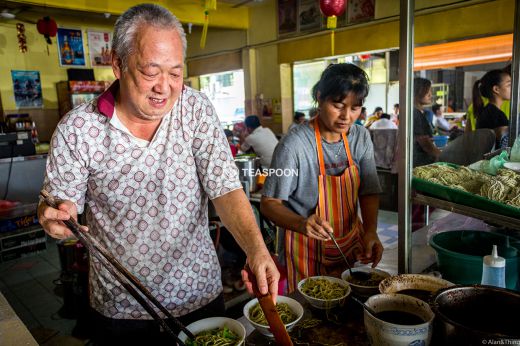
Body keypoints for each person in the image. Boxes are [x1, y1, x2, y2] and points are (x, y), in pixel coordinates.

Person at [37, 4, 279, 345]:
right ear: (118, 65)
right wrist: (55, 220)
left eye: (175, 73)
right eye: (151, 72)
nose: (164, 88)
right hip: (122, 309)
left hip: (200, 295)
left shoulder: (194, 109)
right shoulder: (79, 130)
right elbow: (60, 206)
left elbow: (224, 188)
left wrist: (257, 250)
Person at [260, 63, 383, 292]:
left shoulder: (360, 137)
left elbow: (369, 190)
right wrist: (301, 223)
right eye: (338, 105)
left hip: (347, 244)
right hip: (304, 248)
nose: (346, 117)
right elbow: (269, 204)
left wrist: (371, 231)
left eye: (355, 108)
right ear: (319, 98)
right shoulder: (293, 145)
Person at [472, 69, 511, 149]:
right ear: (496, 89)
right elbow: (503, 147)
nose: (512, 88)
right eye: (509, 85)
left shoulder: (488, 111)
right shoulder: (497, 116)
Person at [413, 77, 441, 168]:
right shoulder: (415, 113)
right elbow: (424, 143)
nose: (430, 95)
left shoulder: (420, 112)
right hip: (420, 163)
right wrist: (441, 155)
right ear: (418, 92)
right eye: (427, 91)